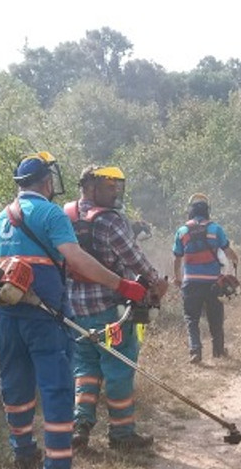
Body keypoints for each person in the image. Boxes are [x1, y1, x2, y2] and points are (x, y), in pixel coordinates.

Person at [0, 151, 149, 469]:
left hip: (7, 316)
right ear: (47, 182)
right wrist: (122, 285)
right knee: (57, 389)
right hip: (44, 317)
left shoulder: (1, 217)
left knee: (15, 385)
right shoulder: (50, 213)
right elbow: (76, 259)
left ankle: (23, 453)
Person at [64, 165, 169, 451]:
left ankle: (80, 426)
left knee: (84, 368)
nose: (115, 192)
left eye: (117, 186)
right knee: (119, 368)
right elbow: (134, 259)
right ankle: (122, 434)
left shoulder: (64, 216)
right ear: (89, 187)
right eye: (108, 187)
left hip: (75, 312)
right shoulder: (111, 220)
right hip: (111, 312)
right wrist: (157, 283)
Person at [172, 193, 239, 364]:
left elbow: (177, 258)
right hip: (213, 283)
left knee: (191, 318)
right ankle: (218, 351)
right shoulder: (216, 229)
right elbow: (227, 252)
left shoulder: (182, 231)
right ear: (208, 211)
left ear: (191, 211)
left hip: (191, 282)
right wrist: (236, 259)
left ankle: (195, 351)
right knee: (215, 317)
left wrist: (178, 278)